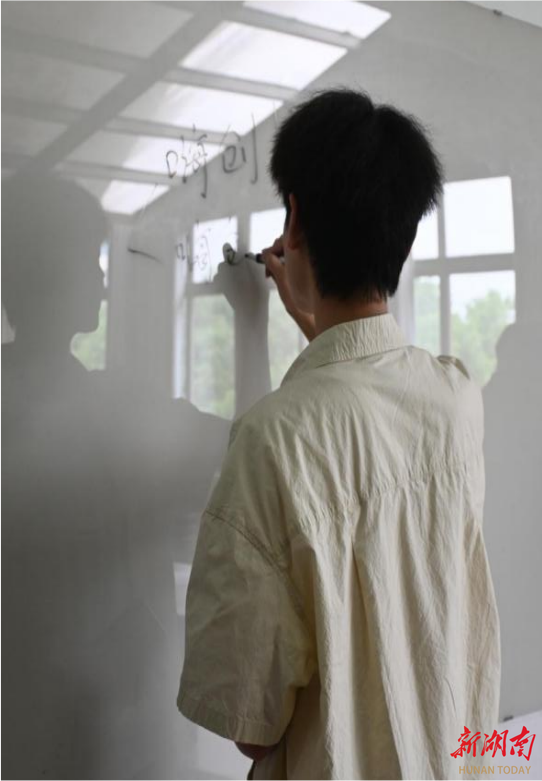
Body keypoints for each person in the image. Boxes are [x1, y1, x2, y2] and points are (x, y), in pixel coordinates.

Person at [177, 88, 501, 780]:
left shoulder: (270, 441)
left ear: (293, 218)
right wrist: (315, 325)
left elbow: (253, 728)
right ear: (405, 235)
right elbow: (361, 398)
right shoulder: (458, 396)